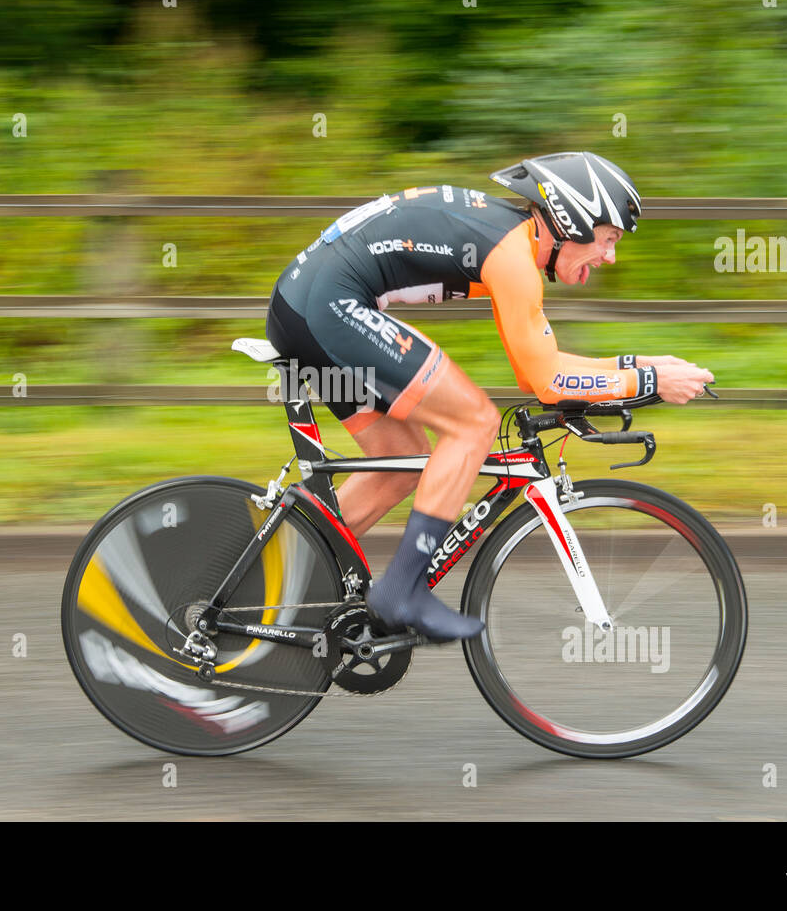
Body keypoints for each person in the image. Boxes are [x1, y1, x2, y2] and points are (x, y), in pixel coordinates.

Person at [264, 152, 714, 642]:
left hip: (306, 306)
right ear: (573, 220)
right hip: (326, 306)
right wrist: (649, 383)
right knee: (474, 422)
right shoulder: (512, 256)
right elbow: (546, 382)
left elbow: (545, 366)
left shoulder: (509, 241)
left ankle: (276, 585)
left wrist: (641, 368)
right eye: (609, 239)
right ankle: (401, 590)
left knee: (400, 461)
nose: (610, 256)